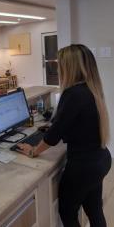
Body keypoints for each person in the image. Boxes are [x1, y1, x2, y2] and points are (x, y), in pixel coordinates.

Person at [18, 44, 111, 227]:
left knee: (67, 213)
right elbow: (74, 123)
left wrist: (33, 151)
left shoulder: (73, 93)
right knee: (94, 210)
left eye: (60, 65)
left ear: (70, 67)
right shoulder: (91, 88)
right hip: (101, 159)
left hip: (83, 166)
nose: (58, 69)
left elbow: (53, 136)